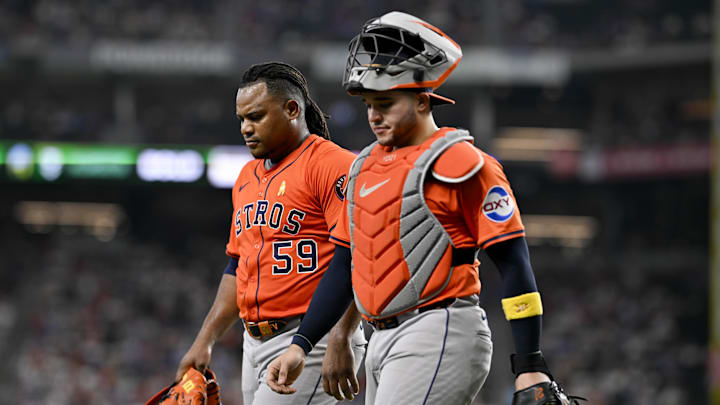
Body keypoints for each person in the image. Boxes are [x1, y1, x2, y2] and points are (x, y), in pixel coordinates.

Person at [266, 12, 582, 405]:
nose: (374, 115)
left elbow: (514, 262)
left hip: (439, 327)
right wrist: (302, 343)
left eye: (385, 103)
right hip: (381, 340)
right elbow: (344, 265)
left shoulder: (462, 163)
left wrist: (529, 362)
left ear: (421, 100)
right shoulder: (363, 166)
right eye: (368, 104)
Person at [175, 61, 366, 405]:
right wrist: (205, 339)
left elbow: (361, 259)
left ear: (292, 109)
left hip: (312, 336)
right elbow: (238, 267)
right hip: (254, 343)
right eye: (242, 119)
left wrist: (341, 334)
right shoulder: (246, 176)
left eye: (256, 116)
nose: (246, 128)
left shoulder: (332, 165)